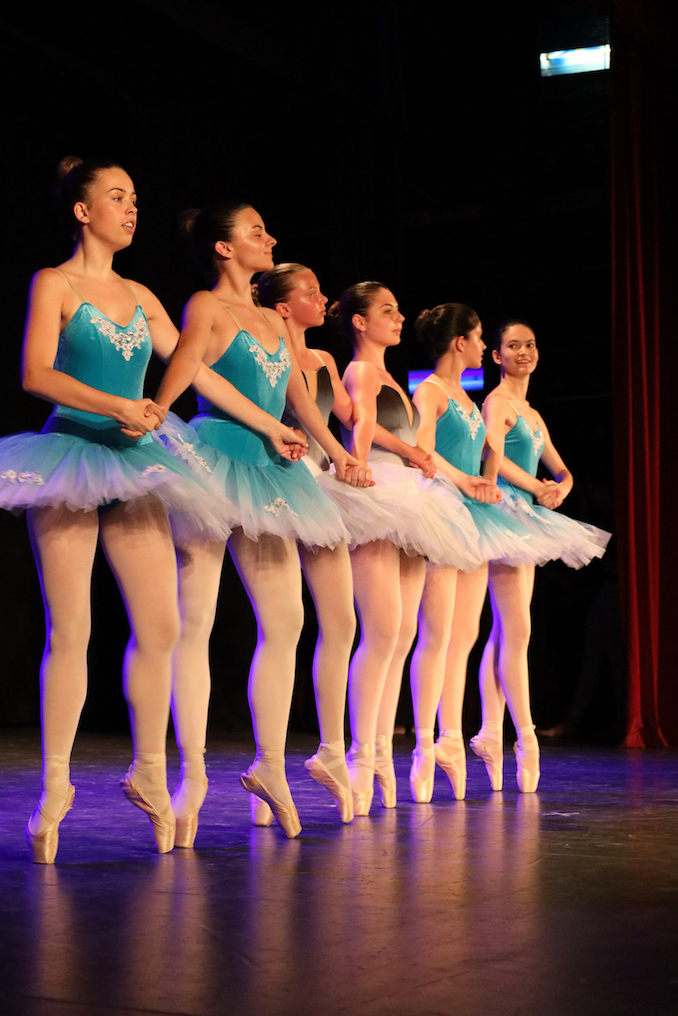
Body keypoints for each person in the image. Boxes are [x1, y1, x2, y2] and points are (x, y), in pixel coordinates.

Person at [0, 157, 231, 862]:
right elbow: (36, 374)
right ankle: (56, 786)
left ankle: (149, 770)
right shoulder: (54, 283)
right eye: (117, 197)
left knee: (162, 626)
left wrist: (276, 422)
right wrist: (120, 405)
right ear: (82, 210)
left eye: (135, 198)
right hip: (69, 455)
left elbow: (195, 367)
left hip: (136, 462)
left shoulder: (140, 294)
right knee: (71, 628)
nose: (131, 209)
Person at [153, 204, 371, 840]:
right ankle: (192, 774)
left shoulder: (274, 321)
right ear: (223, 248)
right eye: (255, 232)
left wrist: (338, 456)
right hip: (215, 459)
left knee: (287, 622)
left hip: (273, 470)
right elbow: (186, 366)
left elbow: (300, 401)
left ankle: (270, 764)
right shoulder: (204, 306)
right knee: (194, 620)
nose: (270, 238)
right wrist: (155, 415)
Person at [329, 282, 483, 815]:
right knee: (381, 632)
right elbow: (362, 424)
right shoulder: (361, 370)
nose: (398, 318)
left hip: (409, 501)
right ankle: (360, 753)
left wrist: (426, 461)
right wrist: (373, 459)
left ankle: (379, 748)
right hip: (378, 495)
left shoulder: (391, 375)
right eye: (387, 311)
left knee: (402, 636)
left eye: (397, 311)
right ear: (359, 322)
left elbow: (407, 441)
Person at [411, 304, 556, 803]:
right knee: (439, 635)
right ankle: (433, 742)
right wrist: (470, 480)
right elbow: (424, 451)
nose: (481, 347)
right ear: (463, 343)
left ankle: (461, 734)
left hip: (474, 515)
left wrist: (489, 478)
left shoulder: (469, 401)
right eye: (478, 338)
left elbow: (490, 451)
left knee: (468, 634)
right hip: (446, 512)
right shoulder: (434, 391)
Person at [472, 320, 610, 792]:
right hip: (504, 514)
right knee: (517, 631)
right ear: (497, 356)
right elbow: (490, 454)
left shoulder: (530, 412)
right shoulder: (497, 402)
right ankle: (525, 737)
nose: (524, 352)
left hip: (527, 516)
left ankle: (492, 731)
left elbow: (561, 468)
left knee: (507, 631)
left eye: (529, 344)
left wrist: (561, 487)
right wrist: (536, 487)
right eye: (513, 346)